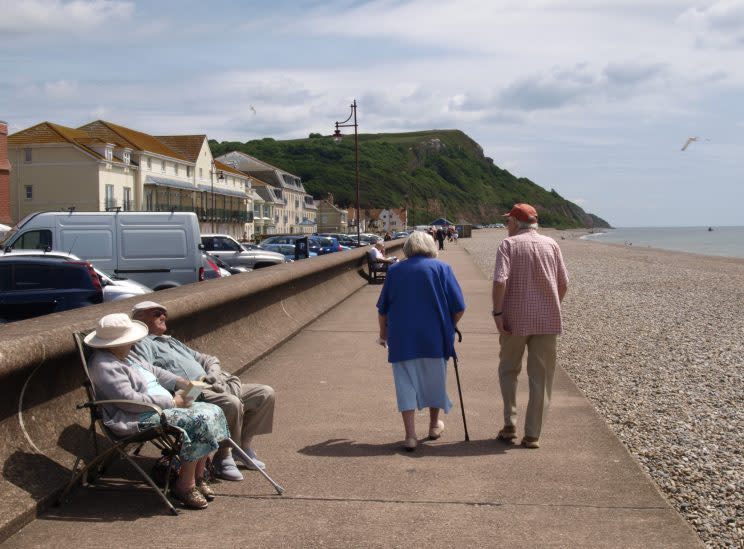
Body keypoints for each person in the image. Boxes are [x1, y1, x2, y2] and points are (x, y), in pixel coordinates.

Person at [85, 313, 229, 509]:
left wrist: (183, 383)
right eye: (129, 339)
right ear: (115, 343)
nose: (134, 342)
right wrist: (172, 401)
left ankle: (199, 475)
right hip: (137, 416)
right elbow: (129, 402)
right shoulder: (104, 365)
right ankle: (185, 486)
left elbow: (154, 371)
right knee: (198, 419)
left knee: (213, 411)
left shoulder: (126, 355)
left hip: (160, 406)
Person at [131, 301, 275, 482]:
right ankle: (223, 456)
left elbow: (208, 358)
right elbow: (148, 373)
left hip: (210, 384)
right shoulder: (143, 343)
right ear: (140, 318)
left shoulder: (171, 341)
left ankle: (243, 447)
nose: (163, 316)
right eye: (157, 313)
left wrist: (213, 374)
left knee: (265, 394)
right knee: (231, 403)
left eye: (164, 313)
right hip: (190, 391)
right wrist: (189, 385)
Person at [376, 231, 465, 451]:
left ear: (408, 248)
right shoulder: (442, 268)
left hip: (403, 337)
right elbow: (459, 307)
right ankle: (434, 426)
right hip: (435, 336)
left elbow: (383, 309)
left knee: (405, 384)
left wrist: (383, 334)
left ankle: (410, 436)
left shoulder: (395, 270)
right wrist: (449, 325)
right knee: (435, 379)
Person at [492, 203, 569, 449]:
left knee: (508, 370)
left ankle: (510, 423)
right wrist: (550, 303)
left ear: (515, 222)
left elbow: (500, 280)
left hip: (514, 320)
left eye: (508, 222)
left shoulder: (508, 245)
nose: (506, 226)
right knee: (541, 377)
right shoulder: (552, 244)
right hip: (547, 320)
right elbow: (563, 283)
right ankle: (533, 433)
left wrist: (498, 312)